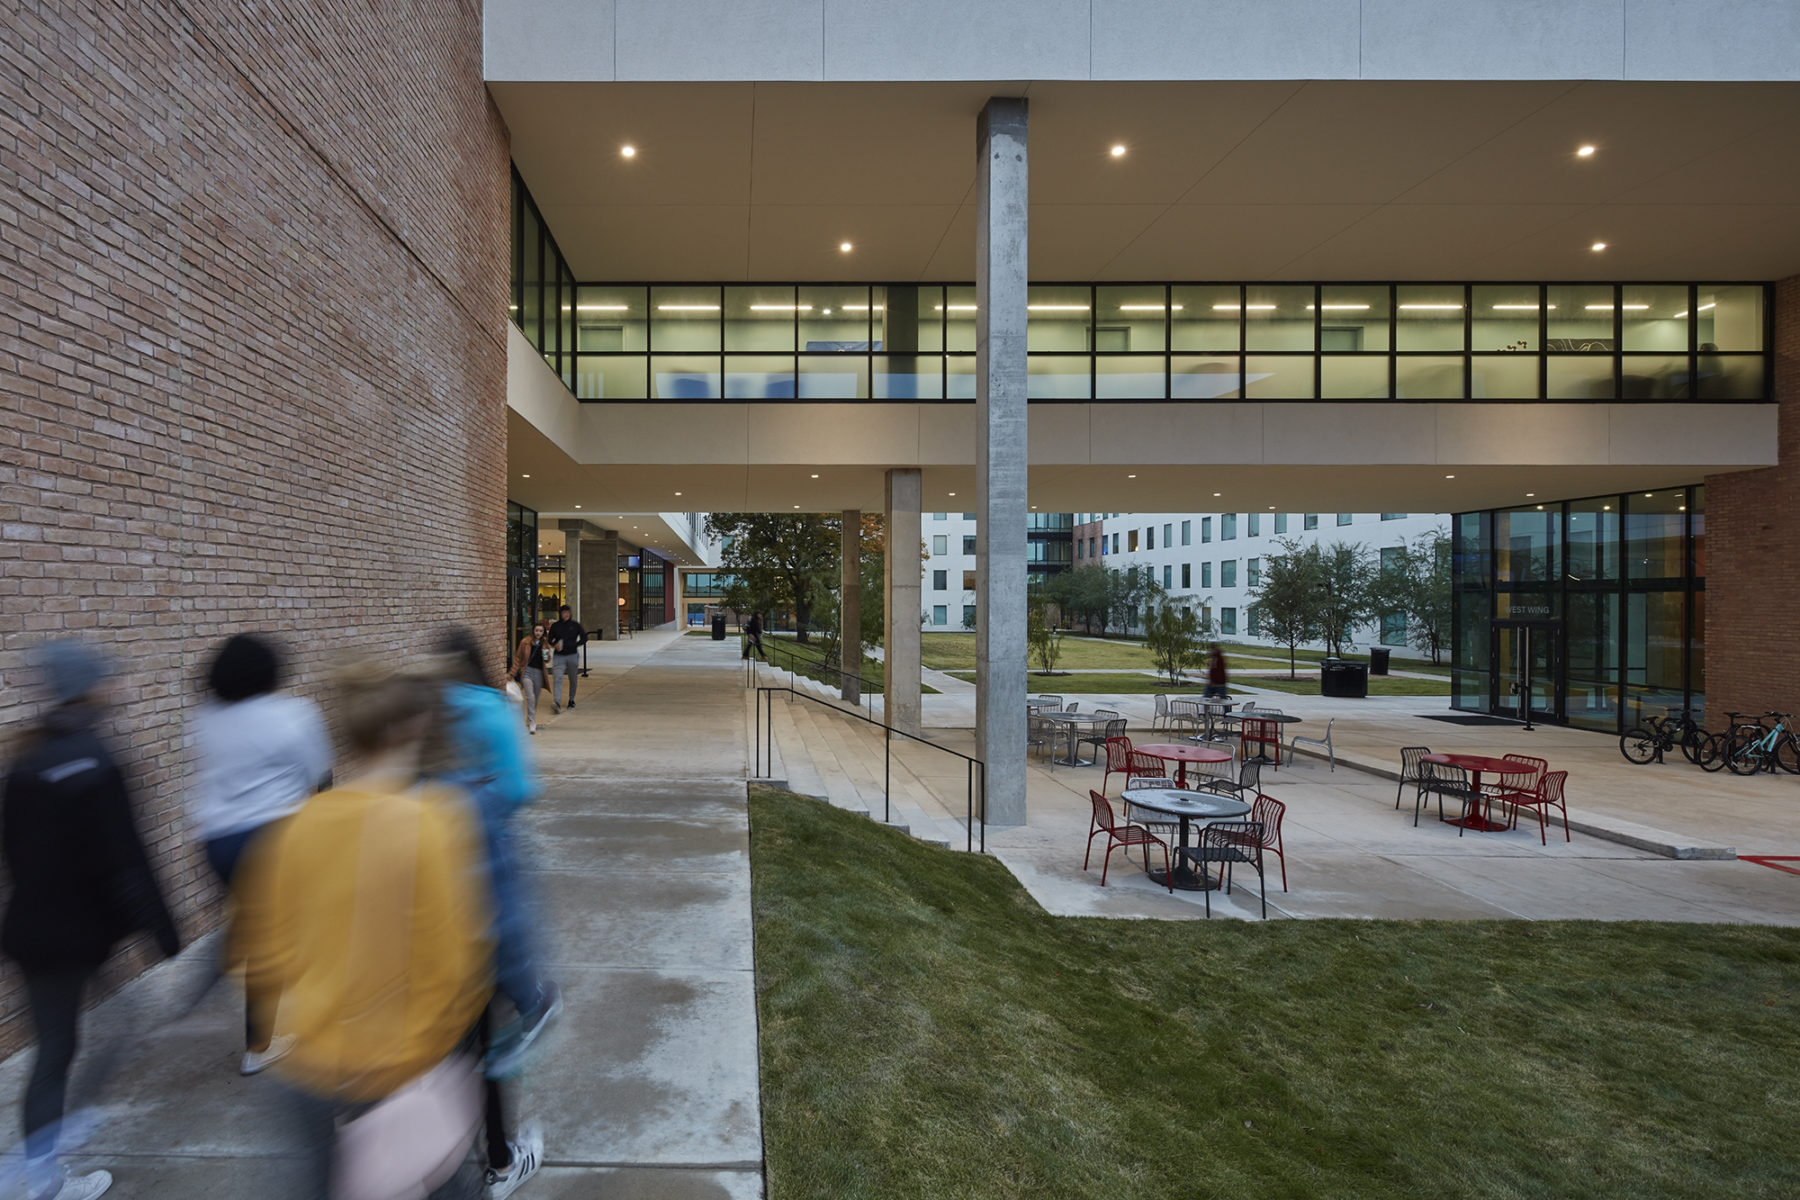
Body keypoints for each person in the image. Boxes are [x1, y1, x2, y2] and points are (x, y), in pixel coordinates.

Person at [230, 658, 494, 1200]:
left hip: (307, 1064)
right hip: (396, 1063)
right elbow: (455, 961)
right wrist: (433, 1045)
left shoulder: (295, 826)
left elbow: (253, 952)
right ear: (412, 729)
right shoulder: (433, 821)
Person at [3, 641, 180, 1200]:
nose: (118, 686)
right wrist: (163, 931)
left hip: (33, 933)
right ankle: (48, 1165)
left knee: (61, 1048)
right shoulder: (97, 758)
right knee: (103, 1033)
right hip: (74, 937)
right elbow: (129, 858)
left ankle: (42, 1164)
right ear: (89, 687)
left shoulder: (26, 761)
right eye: (110, 679)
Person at [434, 628, 559, 1196]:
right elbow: (519, 789)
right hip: (480, 888)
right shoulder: (491, 709)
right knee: (487, 1037)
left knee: (452, 1038)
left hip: (427, 891)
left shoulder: (430, 716)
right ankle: (502, 1161)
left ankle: (445, 1150)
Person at [190, 633, 332, 1075]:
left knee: (262, 931)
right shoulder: (293, 713)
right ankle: (274, 1037)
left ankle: (232, 971)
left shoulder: (204, 717)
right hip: (278, 837)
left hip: (218, 842)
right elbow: (320, 777)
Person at [510, 622, 552, 734]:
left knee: (536, 698)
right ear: (533, 631)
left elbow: (547, 660)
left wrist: (547, 654)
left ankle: (529, 718)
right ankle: (532, 722)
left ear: (543, 632)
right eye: (536, 630)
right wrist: (512, 673)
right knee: (530, 697)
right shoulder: (525, 642)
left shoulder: (545, 644)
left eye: (541, 631)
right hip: (527, 671)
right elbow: (518, 658)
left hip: (539, 673)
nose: (538, 633)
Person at [544, 605, 585, 711]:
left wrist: (575, 645)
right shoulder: (555, 626)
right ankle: (557, 702)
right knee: (557, 678)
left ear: (570, 613)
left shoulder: (575, 625)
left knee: (573, 679)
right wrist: (554, 644)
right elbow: (549, 639)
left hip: (572, 655)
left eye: (568, 612)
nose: (566, 615)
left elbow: (584, 638)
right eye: (563, 613)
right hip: (559, 655)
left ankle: (571, 700)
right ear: (560, 614)